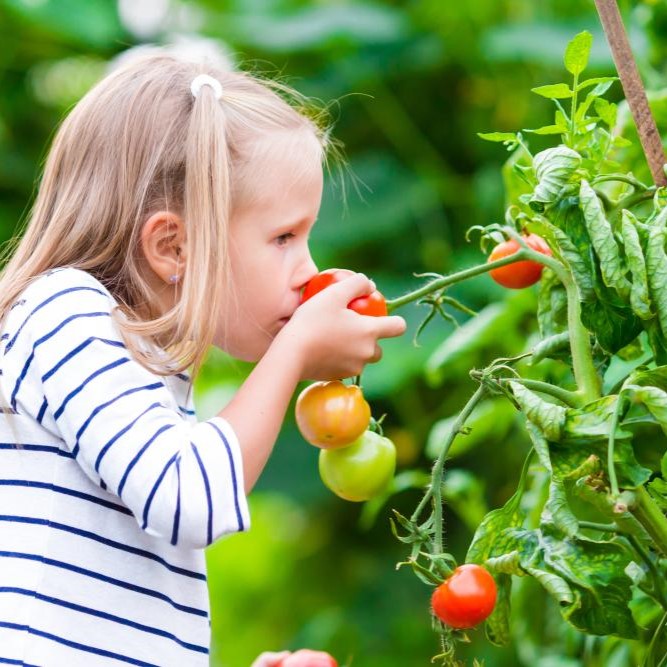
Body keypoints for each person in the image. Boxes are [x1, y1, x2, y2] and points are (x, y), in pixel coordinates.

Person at [0, 49, 406, 666]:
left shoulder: (146, 366)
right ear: (173, 246)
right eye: (283, 238)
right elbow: (187, 499)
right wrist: (294, 351)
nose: (308, 270)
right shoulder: (65, 316)